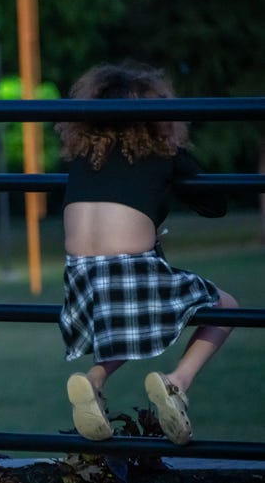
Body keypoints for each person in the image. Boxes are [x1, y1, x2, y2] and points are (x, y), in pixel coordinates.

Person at [55, 62, 239, 445]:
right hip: (132, 271)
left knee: (127, 318)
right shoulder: (162, 153)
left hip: (79, 280)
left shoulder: (79, 159)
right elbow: (215, 203)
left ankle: (95, 378)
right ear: (157, 116)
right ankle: (176, 382)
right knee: (226, 306)